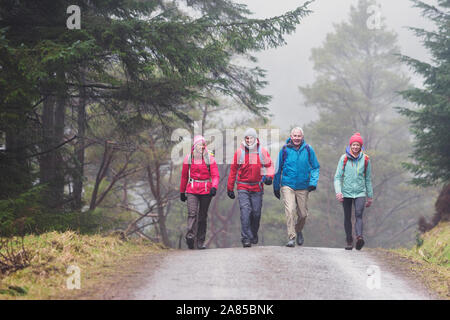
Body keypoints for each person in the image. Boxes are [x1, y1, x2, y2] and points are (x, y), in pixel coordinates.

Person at [227, 128, 274, 248]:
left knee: (256, 213)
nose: (248, 140)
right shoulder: (239, 152)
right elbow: (233, 171)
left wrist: (269, 177)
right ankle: (245, 238)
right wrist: (230, 188)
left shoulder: (262, 151)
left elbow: (270, 166)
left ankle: (253, 233)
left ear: (255, 138)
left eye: (251, 138)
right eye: (246, 138)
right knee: (245, 211)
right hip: (243, 186)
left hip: (257, 187)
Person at [273, 127, 320, 247]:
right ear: (291, 136)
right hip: (287, 185)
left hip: (303, 186)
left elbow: (315, 167)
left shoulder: (308, 150)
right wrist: (276, 186)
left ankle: (298, 230)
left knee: (303, 214)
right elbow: (278, 169)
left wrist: (313, 183)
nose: (297, 138)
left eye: (299, 136)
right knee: (290, 210)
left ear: (302, 137)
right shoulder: (284, 150)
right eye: (295, 136)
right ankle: (291, 237)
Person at [334, 132, 373, 251]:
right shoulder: (344, 158)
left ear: (361, 146)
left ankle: (359, 237)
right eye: (353, 145)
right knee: (347, 217)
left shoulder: (366, 160)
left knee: (358, 214)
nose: (355, 147)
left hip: (360, 192)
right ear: (350, 145)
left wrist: (370, 196)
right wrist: (338, 192)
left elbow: (368, 179)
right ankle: (349, 240)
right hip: (346, 192)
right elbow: (337, 177)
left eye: (358, 145)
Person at [180, 135, 220, 250]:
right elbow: (184, 177)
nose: (200, 147)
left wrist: (214, 187)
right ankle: (190, 237)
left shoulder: (209, 158)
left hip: (206, 190)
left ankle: (200, 241)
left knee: (202, 217)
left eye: (202, 145)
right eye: (198, 145)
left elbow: (215, 175)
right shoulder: (189, 158)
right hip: (192, 190)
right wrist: (182, 192)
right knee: (192, 213)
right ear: (194, 146)